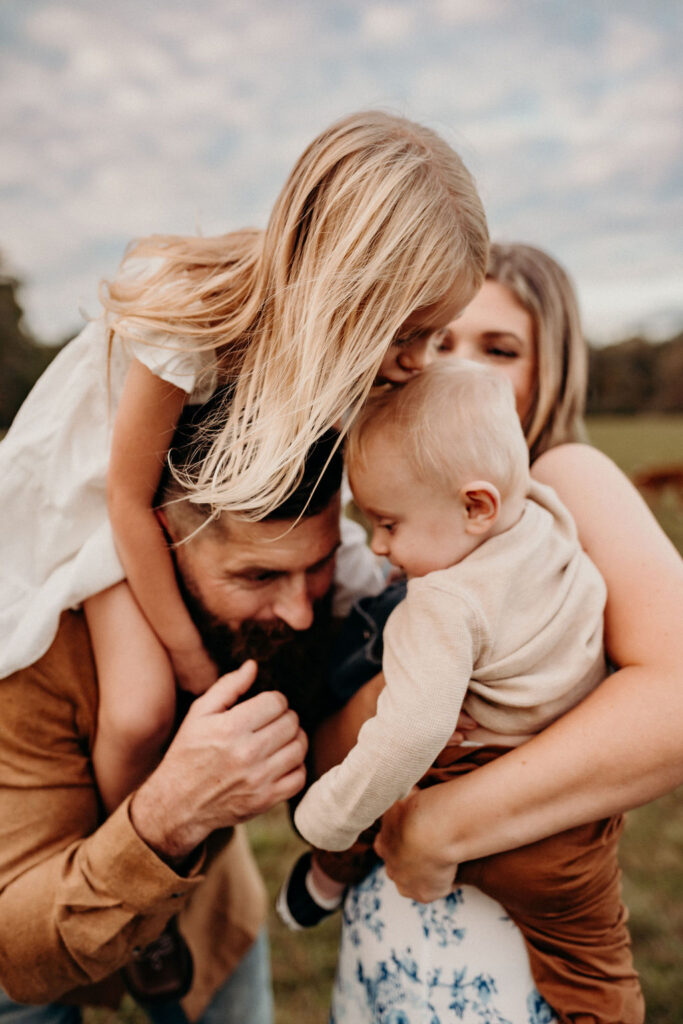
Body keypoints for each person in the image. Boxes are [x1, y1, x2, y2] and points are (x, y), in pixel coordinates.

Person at [0, 109, 488, 814]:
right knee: (141, 708)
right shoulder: (197, 314)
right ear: (339, 286)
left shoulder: (343, 357)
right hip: (88, 502)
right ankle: (126, 841)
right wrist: (191, 663)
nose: (419, 358)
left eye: (436, 333)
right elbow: (126, 500)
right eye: (405, 331)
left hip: (198, 499)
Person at [314, 244, 683, 1023]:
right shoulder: (405, 520)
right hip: (386, 928)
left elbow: (675, 692)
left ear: (550, 371)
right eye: (441, 340)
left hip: (499, 941)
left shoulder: (562, 482)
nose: (462, 367)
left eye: (500, 349)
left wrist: (437, 822)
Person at [280, 360, 642, 1021]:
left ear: (477, 506)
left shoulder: (439, 600)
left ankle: (327, 873)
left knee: (375, 789)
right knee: (593, 965)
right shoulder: (545, 517)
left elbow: (406, 737)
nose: (383, 549)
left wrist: (320, 820)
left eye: (388, 524)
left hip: (464, 779)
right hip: (569, 837)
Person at [0, 419, 377, 1023]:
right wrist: (172, 814)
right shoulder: (32, 651)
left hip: (205, 915)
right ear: (162, 540)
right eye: (258, 576)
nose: (301, 612)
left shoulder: (313, 603)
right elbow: (16, 957)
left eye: (322, 563)